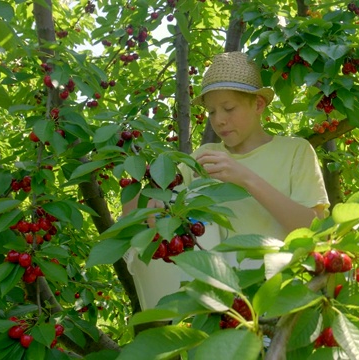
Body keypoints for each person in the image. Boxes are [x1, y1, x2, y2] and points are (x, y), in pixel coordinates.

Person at [123, 51, 329, 310]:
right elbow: (138, 214)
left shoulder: (295, 151)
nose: (219, 119)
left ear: (258, 105)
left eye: (229, 108)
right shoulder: (204, 157)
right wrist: (140, 189)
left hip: (282, 298)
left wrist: (245, 178)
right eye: (211, 112)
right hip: (216, 304)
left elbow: (313, 228)